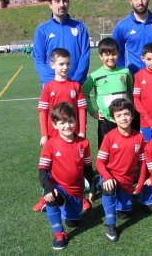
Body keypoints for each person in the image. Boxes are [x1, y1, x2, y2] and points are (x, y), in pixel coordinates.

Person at [33, 48, 90, 212]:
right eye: (61, 64)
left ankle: (81, 196)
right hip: (53, 136)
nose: (65, 67)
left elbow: (81, 110)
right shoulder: (48, 87)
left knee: (76, 166)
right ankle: (47, 195)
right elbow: (42, 111)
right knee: (51, 168)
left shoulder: (75, 86)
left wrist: (82, 131)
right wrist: (44, 134)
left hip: (72, 134)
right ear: (52, 65)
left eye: (68, 64)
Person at [37, 102, 95, 250]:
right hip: (59, 187)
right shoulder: (50, 144)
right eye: (62, 122)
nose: (67, 126)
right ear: (55, 125)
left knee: (73, 222)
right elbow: (43, 170)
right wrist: (48, 188)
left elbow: (88, 168)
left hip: (76, 192)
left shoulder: (84, 143)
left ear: (75, 121)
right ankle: (59, 233)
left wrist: (92, 188)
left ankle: (61, 208)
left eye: (70, 121)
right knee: (52, 197)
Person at [95, 98, 146, 242]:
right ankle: (110, 225)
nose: (123, 118)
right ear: (113, 118)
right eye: (119, 115)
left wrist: (140, 183)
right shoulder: (109, 137)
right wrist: (106, 176)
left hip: (127, 180)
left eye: (126, 114)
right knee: (109, 188)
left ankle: (120, 199)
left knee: (125, 214)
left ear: (132, 115)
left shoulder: (139, 137)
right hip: (110, 176)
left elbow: (143, 162)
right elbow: (99, 162)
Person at [33, 0, 90, 87]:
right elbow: (39, 60)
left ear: (68, 3)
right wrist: (54, 84)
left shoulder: (80, 27)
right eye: (57, 1)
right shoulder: (42, 30)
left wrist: (75, 83)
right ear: (50, 4)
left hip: (76, 87)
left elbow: (85, 57)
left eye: (64, 1)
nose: (61, 4)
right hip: (52, 88)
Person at [82, 37, 133, 149]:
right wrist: (92, 112)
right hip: (106, 119)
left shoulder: (125, 72)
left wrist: (131, 108)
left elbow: (130, 91)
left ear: (118, 54)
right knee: (106, 148)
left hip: (124, 117)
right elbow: (83, 93)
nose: (110, 57)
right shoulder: (95, 76)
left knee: (125, 146)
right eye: (107, 54)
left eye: (114, 54)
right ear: (101, 56)